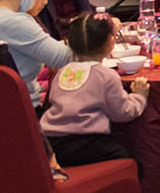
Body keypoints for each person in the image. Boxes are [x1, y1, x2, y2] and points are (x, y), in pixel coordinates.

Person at [39, 14, 147, 168]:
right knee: (134, 164)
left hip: (51, 144)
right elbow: (122, 112)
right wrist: (139, 96)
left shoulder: (62, 71)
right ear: (110, 42)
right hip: (86, 144)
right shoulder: (106, 75)